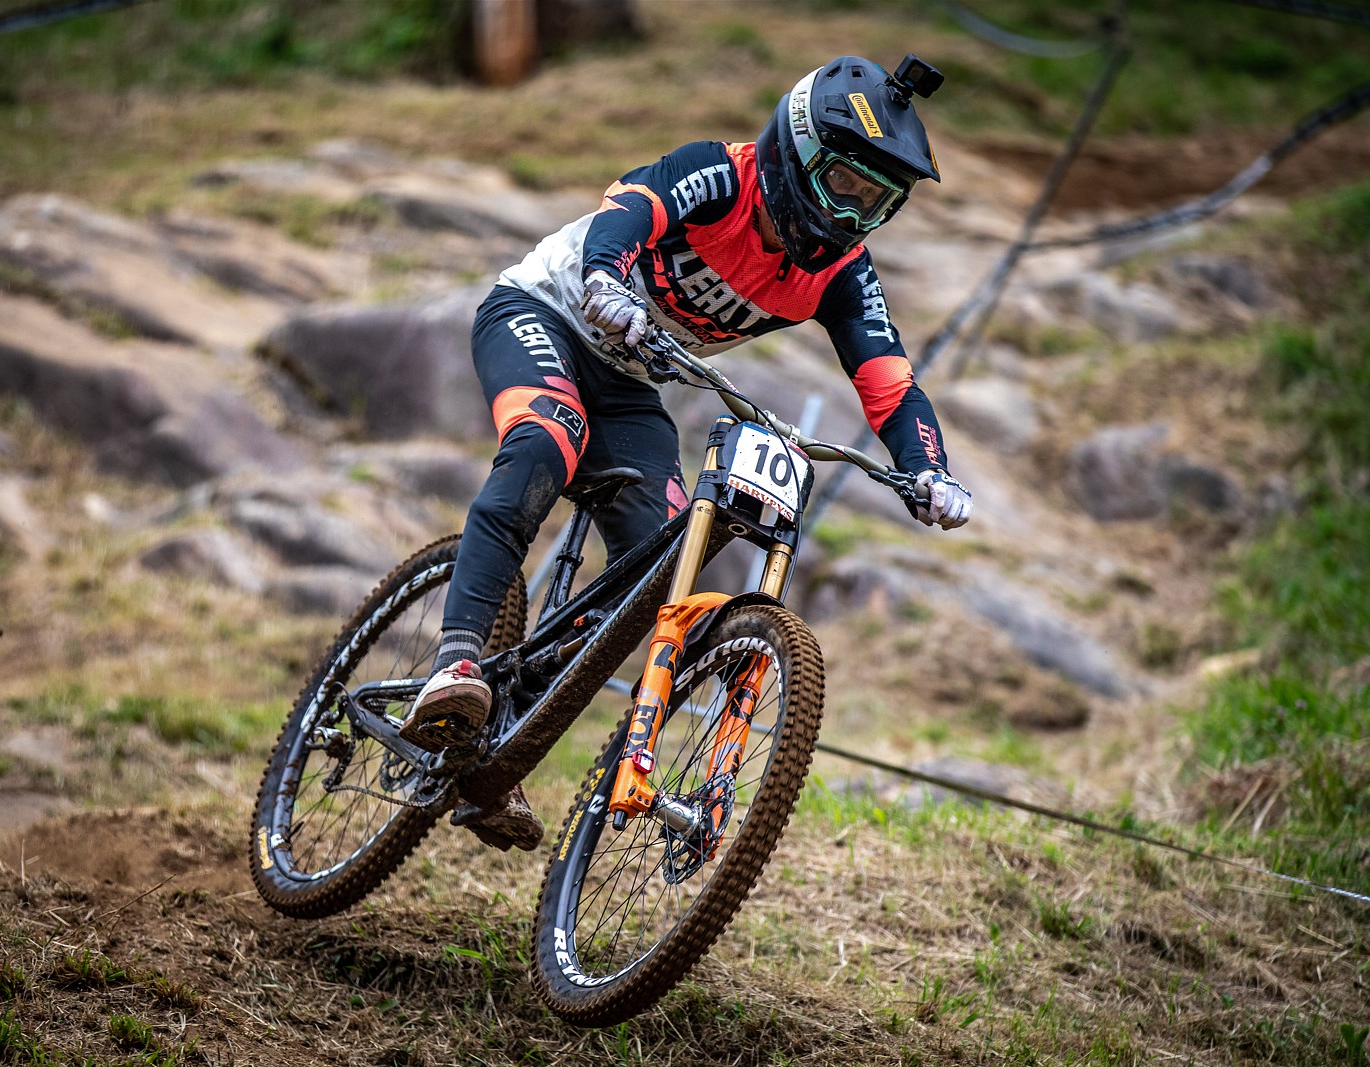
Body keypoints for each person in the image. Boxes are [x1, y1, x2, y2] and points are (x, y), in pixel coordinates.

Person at [407, 55, 973, 852]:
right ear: (798, 155)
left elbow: (889, 379)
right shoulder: (722, 175)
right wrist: (605, 274)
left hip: (633, 380)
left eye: (876, 203)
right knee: (545, 442)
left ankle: (500, 735)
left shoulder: (841, 271)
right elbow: (631, 205)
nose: (852, 216)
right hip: (548, 313)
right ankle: (458, 663)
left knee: (660, 565)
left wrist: (929, 469)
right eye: (846, 187)